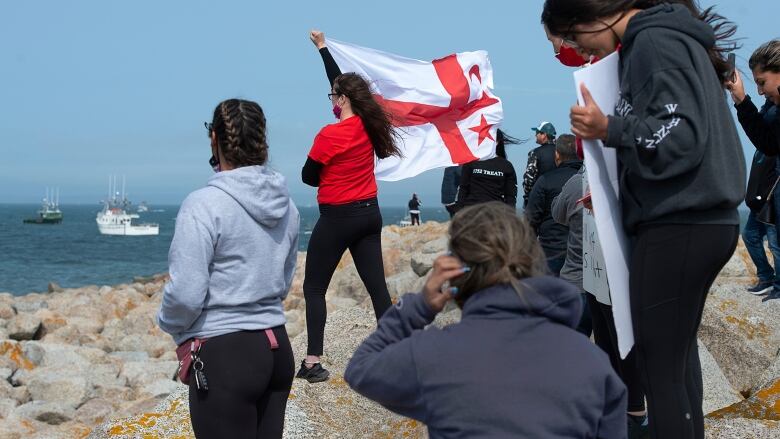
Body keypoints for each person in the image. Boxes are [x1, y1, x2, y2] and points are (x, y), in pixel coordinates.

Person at [543, 2, 746, 438]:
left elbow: (680, 134)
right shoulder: (672, 35)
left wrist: (607, 129)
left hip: (679, 221)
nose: (581, 51)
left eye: (574, 41)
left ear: (589, 18)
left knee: (658, 370)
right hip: (704, 219)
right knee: (674, 360)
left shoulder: (652, 41)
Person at [344, 202, 627, 438]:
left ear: (455, 271)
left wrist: (418, 307)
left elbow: (361, 369)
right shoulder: (592, 364)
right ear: (533, 261)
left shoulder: (434, 355)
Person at [157, 99, 299, 439]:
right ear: (262, 140)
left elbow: (187, 293)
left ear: (214, 139)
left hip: (227, 356)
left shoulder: (204, 205)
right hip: (276, 349)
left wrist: (169, 323)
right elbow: (283, 281)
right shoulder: (287, 205)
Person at [299, 30, 402, 383]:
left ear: (342, 99)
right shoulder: (370, 125)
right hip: (369, 215)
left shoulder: (330, 135)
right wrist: (322, 48)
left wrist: (328, 170)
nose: (330, 98)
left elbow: (308, 178)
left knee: (314, 288)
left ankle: (312, 364)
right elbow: (339, 82)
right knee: (377, 288)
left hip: (338, 217)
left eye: (333, 95)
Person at [726, 39, 780, 301]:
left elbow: (769, 143)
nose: (760, 91)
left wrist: (743, 101)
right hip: (765, 190)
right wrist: (740, 100)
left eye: (762, 82)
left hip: (773, 188)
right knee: (753, 235)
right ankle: (769, 279)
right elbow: (768, 142)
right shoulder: (774, 106)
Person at [525, 134, 583, 276]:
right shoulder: (589, 181)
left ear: (557, 155)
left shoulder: (545, 181)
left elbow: (531, 219)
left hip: (550, 252)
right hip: (582, 254)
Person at [455, 129, 520, 210]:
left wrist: (510, 215)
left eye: (489, 139)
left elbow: (510, 196)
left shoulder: (506, 166)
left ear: (497, 142)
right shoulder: (471, 162)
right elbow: (463, 188)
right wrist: (459, 212)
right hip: (471, 212)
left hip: (496, 213)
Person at [522, 121, 557, 207]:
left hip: (539, 200)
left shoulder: (534, 153)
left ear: (544, 135)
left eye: (537, 133)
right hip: (558, 200)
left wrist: (529, 197)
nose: (535, 135)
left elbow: (528, 180)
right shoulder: (561, 152)